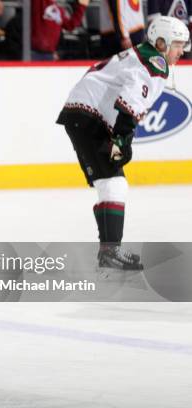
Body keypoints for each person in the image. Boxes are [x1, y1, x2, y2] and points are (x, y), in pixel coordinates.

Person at [56, 16, 190, 271]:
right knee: (114, 184)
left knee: (111, 184)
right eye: (177, 45)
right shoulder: (155, 64)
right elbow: (130, 103)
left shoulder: (144, 54)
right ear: (161, 42)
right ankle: (110, 251)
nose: (181, 51)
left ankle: (109, 250)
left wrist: (120, 138)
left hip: (84, 115)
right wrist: (121, 139)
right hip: (89, 117)